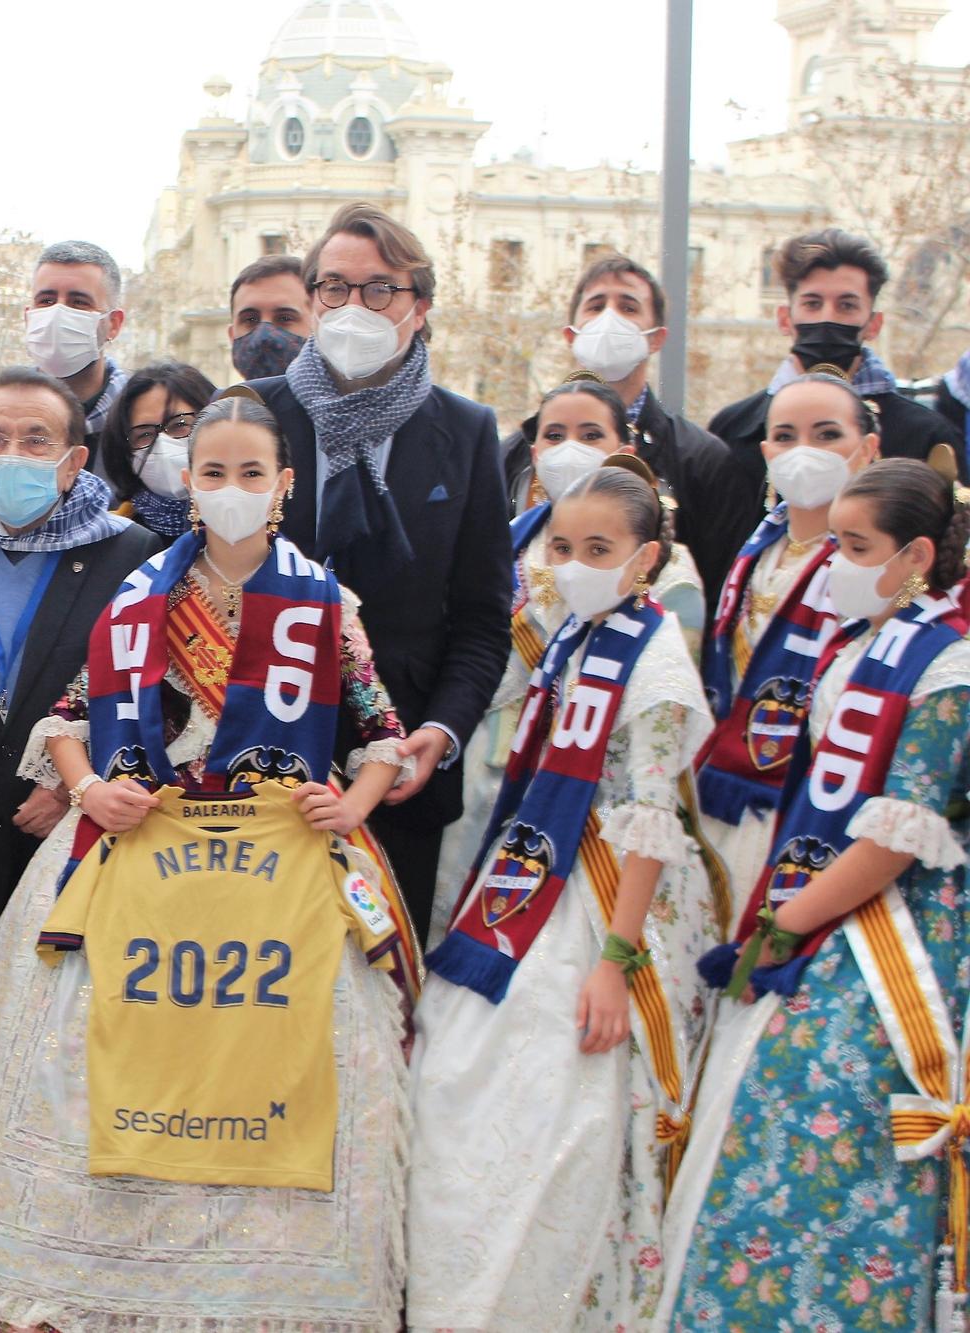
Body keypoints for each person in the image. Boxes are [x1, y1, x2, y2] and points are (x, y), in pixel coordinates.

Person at [0, 390, 423, 1331]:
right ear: (188, 484)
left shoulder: (322, 600)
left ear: (283, 484)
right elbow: (69, 721)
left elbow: (383, 732)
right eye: (212, 472)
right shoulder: (142, 592)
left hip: (280, 883)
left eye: (249, 473)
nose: (230, 489)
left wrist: (348, 804)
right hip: (140, 867)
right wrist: (86, 789)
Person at [658, 459, 970, 1329]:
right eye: (832, 541)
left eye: (854, 545)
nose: (832, 561)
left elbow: (894, 836)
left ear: (914, 555)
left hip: (888, 939)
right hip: (819, 911)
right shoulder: (860, 641)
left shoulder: (948, 664)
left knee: (816, 1137)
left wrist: (783, 926)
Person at [408, 460, 718, 1329]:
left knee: (560, 1097)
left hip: (611, 899)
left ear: (645, 558)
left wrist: (615, 963)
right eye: (564, 546)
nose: (577, 562)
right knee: (455, 1070)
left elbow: (652, 816)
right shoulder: (573, 632)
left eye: (600, 549)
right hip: (531, 866)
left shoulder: (653, 662)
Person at [246, 202, 511, 928]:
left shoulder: (467, 431)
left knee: (383, 990)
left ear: (419, 305)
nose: (354, 305)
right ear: (311, 297)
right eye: (335, 287)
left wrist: (444, 731)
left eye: (380, 289)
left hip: (398, 770)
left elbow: (484, 620)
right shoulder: (249, 414)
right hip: (253, 758)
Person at [0, 366, 160, 969]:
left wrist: (76, 783)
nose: (12, 454)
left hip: (71, 831)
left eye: (35, 440)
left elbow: (150, 695)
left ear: (74, 461)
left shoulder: (134, 556)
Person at [432, 379, 707, 946]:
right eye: (554, 434)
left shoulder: (666, 568)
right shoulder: (507, 542)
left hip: (600, 770)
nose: (569, 447)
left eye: (589, 434)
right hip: (494, 755)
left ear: (622, 445)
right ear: (533, 451)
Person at [695, 373, 880, 938]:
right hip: (726, 785)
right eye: (786, 436)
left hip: (818, 795)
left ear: (868, 449)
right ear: (767, 453)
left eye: (827, 435)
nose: (805, 452)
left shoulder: (883, 565)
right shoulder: (758, 546)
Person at [708, 228, 963, 565]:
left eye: (846, 305)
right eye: (813, 304)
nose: (827, 318)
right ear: (785, 318)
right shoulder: (734, 428)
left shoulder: (926, 434)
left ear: (873, 324)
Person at [498, 255, 741, 605]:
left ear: (657, 338)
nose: (609, 318)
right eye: (596, 306)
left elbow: (717, 585)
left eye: (628, 307)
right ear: (571, 335)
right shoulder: (514, 456)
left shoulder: (701, 460)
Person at [23, 240, 128, 453]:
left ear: (113, 324)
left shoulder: (140, 419)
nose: (58, 313)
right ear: (28, 317)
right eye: (46, 300)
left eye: (79, 302)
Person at [97, 360, 217, 538]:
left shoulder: (256, 524)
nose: (163, 443)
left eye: (180, 424)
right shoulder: (113, 539)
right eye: (144, 434)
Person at [227, 253, 311, 380]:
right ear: (232, 336)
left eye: (285, 318)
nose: (264, 336)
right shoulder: (219, 400)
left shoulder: (349, 399)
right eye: (250, 319)